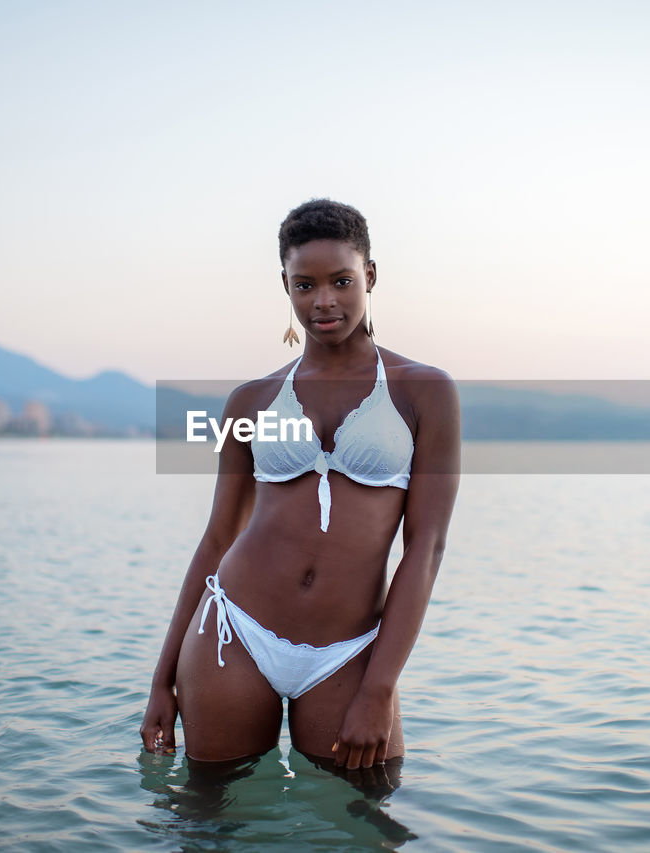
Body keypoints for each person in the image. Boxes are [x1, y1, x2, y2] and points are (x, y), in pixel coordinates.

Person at [140, 199, 460, 771]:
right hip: (232, 633)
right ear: (285, 286)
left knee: (366, 821)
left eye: (341, 280)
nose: (324, 300)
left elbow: (426, 548)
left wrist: (380, 687)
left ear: (371, 276)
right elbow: (216, 541)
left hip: (351, 649)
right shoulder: (251, 400)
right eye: (304, 284)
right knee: (209, 825)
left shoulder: (424, 392)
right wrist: (161, 681)